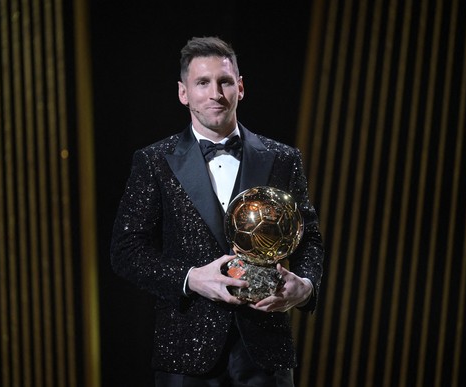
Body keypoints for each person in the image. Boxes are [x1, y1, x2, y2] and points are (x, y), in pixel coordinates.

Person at [110, 36, 324, 387]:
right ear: (183, 92)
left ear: (240, 87)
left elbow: (310, 239)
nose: (215, 93)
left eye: (225, 82)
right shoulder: (152, 161)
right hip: (185, 355)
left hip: (265, 354)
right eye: (202, 83)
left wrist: (306, 286)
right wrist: (191, 278)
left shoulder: (284, 159)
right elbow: (126, 252)